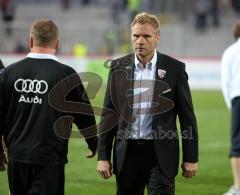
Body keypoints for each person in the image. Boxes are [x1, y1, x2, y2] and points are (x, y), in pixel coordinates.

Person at [97, 12, 198, 195]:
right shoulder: (118, 67)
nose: (140, 41)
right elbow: (108, 114)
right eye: (136, 36)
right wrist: (103, 156)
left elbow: (187, 117)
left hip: (160, 155)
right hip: (127, 155)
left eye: (146, 36)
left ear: (157, 37)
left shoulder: (174, 69)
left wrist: (191, 157)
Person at [0, 20, 98, 195]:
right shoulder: (66, 74)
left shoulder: (10, 73)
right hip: (49, 159)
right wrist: (93, 143)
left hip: (17, 157)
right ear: (57, 43)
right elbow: (84, 114)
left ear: (30, 41)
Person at [221, 21, 240, 195]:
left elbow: (225, 83)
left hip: (238, 98)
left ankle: (238, 187)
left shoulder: (230, 52)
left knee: (237, 145)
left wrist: (231, 106)